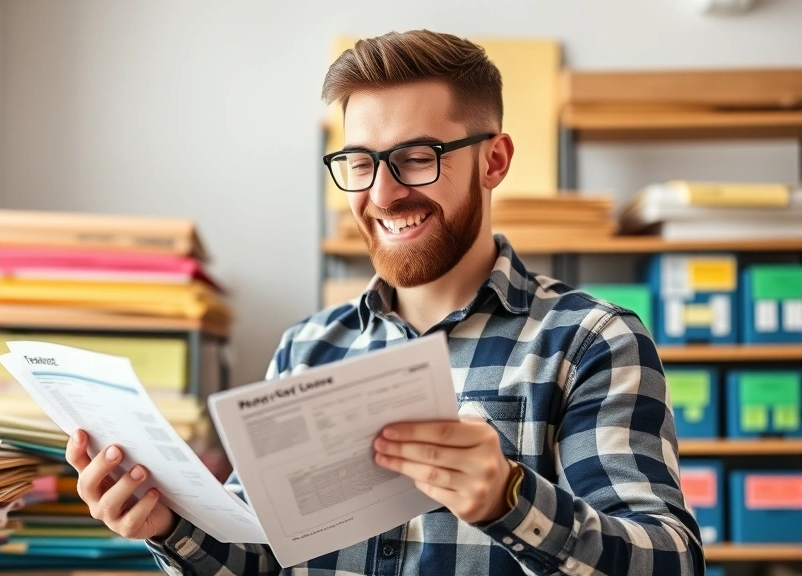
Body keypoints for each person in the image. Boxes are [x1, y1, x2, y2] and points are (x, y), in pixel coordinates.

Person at [64, 29, 705, 575]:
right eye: (360, 162)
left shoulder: (591, 339)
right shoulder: (308, 347)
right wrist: (168, 523)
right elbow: (257, 558)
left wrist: (512, 499)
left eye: (416, 158)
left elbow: (670, 559)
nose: (384, 192)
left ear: (495, 160)